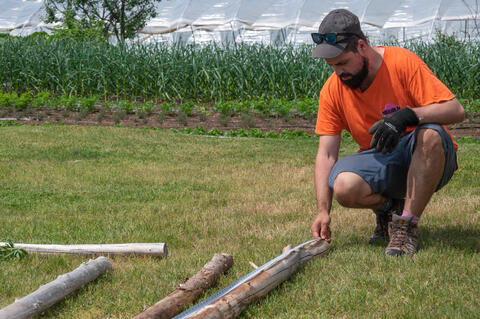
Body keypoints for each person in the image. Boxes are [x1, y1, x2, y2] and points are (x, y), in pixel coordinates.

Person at [309, 9, 465, 256]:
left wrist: (408, 116)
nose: (338, 73)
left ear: (361, 46)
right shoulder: (332, 91)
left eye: (341, 63)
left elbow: (455, 110)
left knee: (431, 134)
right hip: (383, 161)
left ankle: (406, 227)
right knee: (344, 186)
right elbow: (327, 154)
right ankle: (390, 210)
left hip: (430, 158)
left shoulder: (402, 63)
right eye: (331, 66)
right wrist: (323, 211)